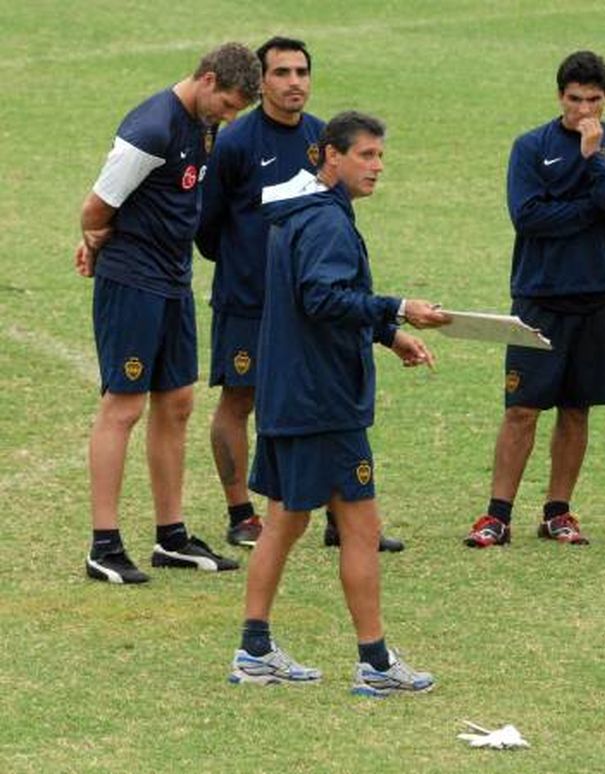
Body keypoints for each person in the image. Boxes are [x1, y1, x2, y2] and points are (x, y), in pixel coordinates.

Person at [227, 111, 449, 693]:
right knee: (360, 526)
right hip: (323, 400)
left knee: (284, 520)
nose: (376, 167)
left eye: (380, 157)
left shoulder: (300, 214)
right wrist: (399, 308)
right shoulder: (325, 222)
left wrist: (388, 333)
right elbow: (325, 297)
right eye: (365, 156)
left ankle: (254, 651)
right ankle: (376, 665)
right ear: (329, 156)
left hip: (289, 394)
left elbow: (318, 302)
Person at [195, 38, 407, 553]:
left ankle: (343, 514)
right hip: (248, 300)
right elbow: (207, 227)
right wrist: (252, 267)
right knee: (241, 398)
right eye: (283, 72)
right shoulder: (236, 141)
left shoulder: (323, 138)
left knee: (326, 396)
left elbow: (336, 217)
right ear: (260, 81)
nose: (295, 82)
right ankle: (242, 512)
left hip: (310, 304)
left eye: (302, 72)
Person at [76, 43, 260, 584]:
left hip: (173, 279)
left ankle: (171, 536)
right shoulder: (152, 129)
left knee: (177, 401)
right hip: (133, 280)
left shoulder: (205, 124)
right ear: (206, 80)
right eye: (227, 104)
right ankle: (103, 545)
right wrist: (93, 239)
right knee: (124, 406)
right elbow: (95, 206)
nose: (229, 117)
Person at [465, 50, 605, 548]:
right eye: (573, 100)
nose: (583, 110)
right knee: (522, 407)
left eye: (592, 100)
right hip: (539, 295)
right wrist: (592, 209)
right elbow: (528, 217)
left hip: (598, 295)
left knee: (576, 409)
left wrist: (595, 159)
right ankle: (497, 516)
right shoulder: (530, 147)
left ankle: (557, 512)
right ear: (559, 96)